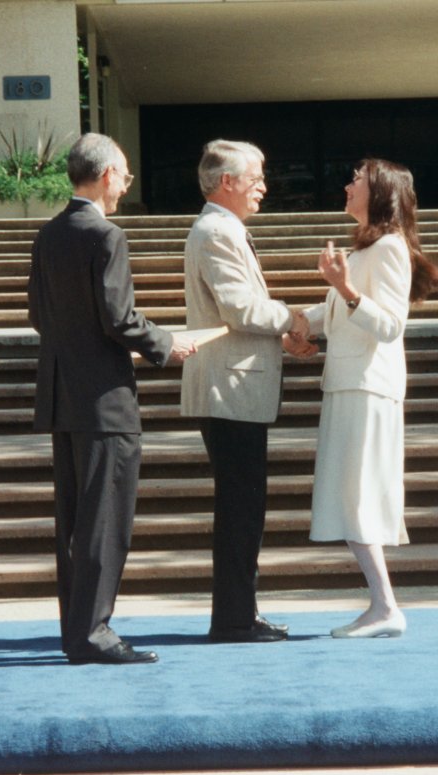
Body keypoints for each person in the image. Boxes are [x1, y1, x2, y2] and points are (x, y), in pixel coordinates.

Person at [28, 133, 196, 665]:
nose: (126, 184)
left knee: (75, 524)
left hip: (63, 398)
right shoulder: (106, 235)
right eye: (124, 175)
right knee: (104, 523)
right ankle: (94, 634)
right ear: (106, 176)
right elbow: (119, 318)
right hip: (105, 401)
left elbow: (37, 314)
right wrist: (166, 344)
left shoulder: (48, 234)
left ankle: (77, 632)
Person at [297, 158, 438, 638]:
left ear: (378, 191)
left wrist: (343, 287)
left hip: (368, 384)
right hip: (349, 382)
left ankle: (385, 607)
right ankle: (382, 605)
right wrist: (293, 323)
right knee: (351, 494)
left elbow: (390, 325)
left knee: (358, 494)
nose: (347, 185)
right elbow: (337, 309)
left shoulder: (389, 248)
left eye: (356, 180)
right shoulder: (367, 248)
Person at [181, 139, 311, 643]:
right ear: (226, 182)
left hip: (232, 387)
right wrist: (297, 319)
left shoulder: (223, 228)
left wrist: (282, 334)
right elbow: (239, 308)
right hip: (228, 389)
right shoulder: (217, 231)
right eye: (255, 178)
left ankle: (239, 613)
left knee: (244, 508)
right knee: (241, 509)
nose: (263, 187)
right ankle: (234, 618)